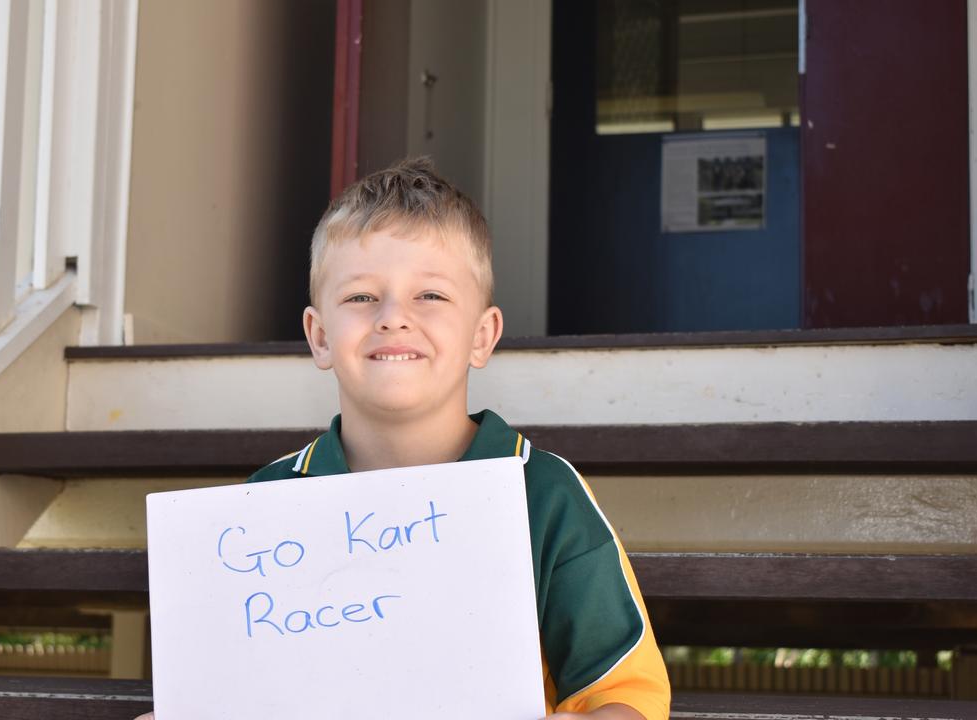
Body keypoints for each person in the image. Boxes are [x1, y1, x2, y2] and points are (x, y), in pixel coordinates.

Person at [138, 158, 670, 720]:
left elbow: (626, 697)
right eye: (362, 297)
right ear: (320, 338)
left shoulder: (542, 493)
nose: (393, 317)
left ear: (482, 336)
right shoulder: (264, 509)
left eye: (431, 297)